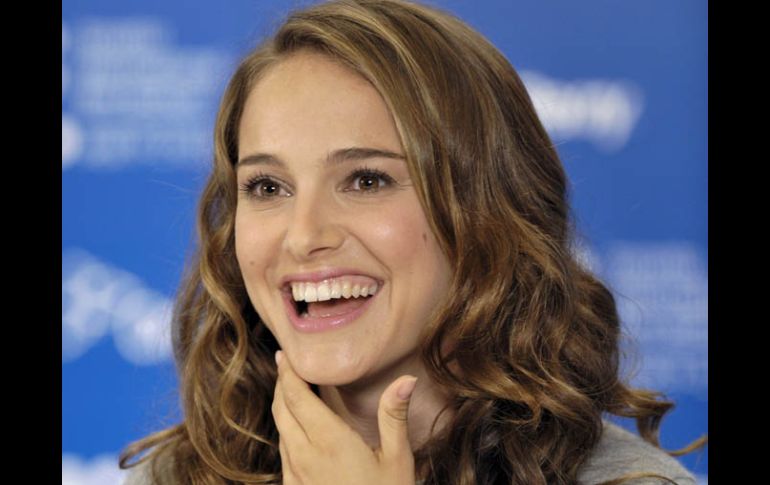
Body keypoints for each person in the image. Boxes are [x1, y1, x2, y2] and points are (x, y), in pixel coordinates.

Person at [119, 0, 707, 483]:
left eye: (366, 180)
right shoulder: (172, 477)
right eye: (268, 187)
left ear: (488, 207)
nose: (302, 237)